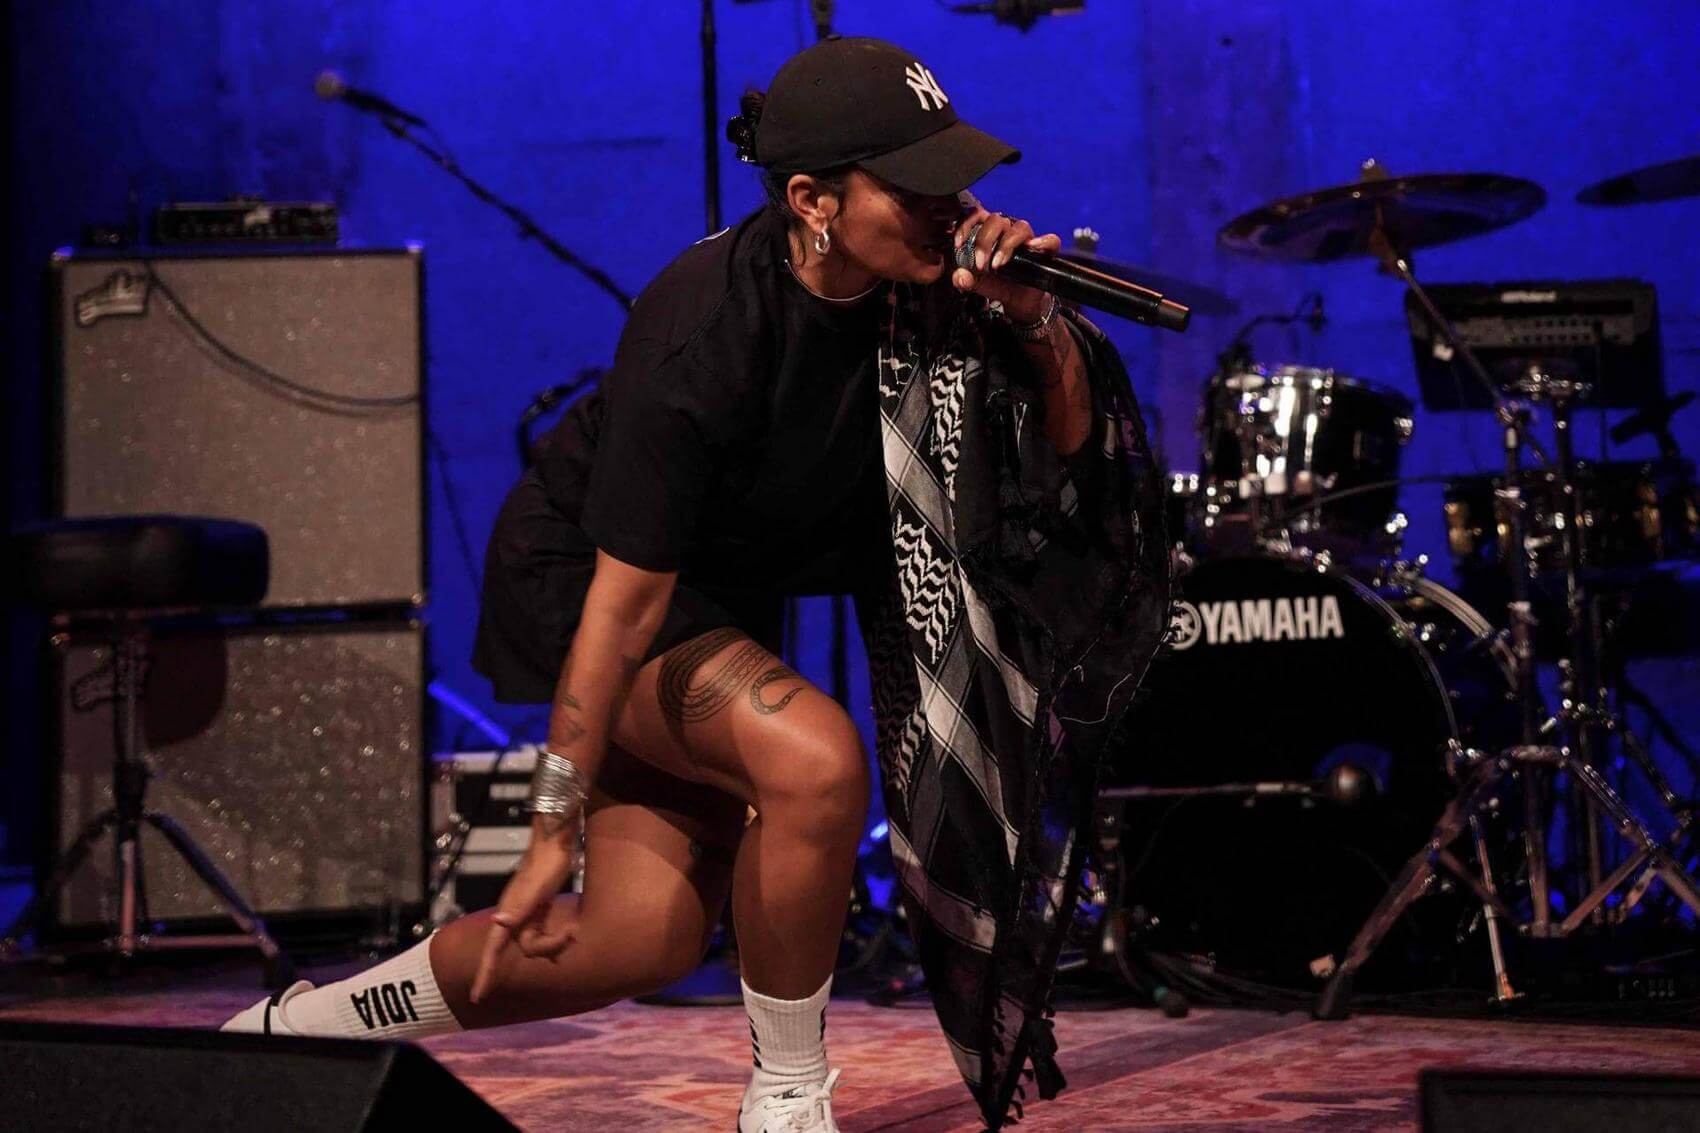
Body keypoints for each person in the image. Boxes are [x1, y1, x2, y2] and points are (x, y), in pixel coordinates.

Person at [224, 35, 1168, 1133]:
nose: (946, 206)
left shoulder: (942, 295)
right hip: (588, 581)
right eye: (911, 185)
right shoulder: (706, 323)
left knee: (634, 942)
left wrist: (1031, 316)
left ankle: (293, 1034)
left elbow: (1067, 458)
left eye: (951, 177)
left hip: (716, 599)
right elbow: (621, 604)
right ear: (811, 197)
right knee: (812, 759)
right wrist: (546, 824)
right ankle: (787, 1094)